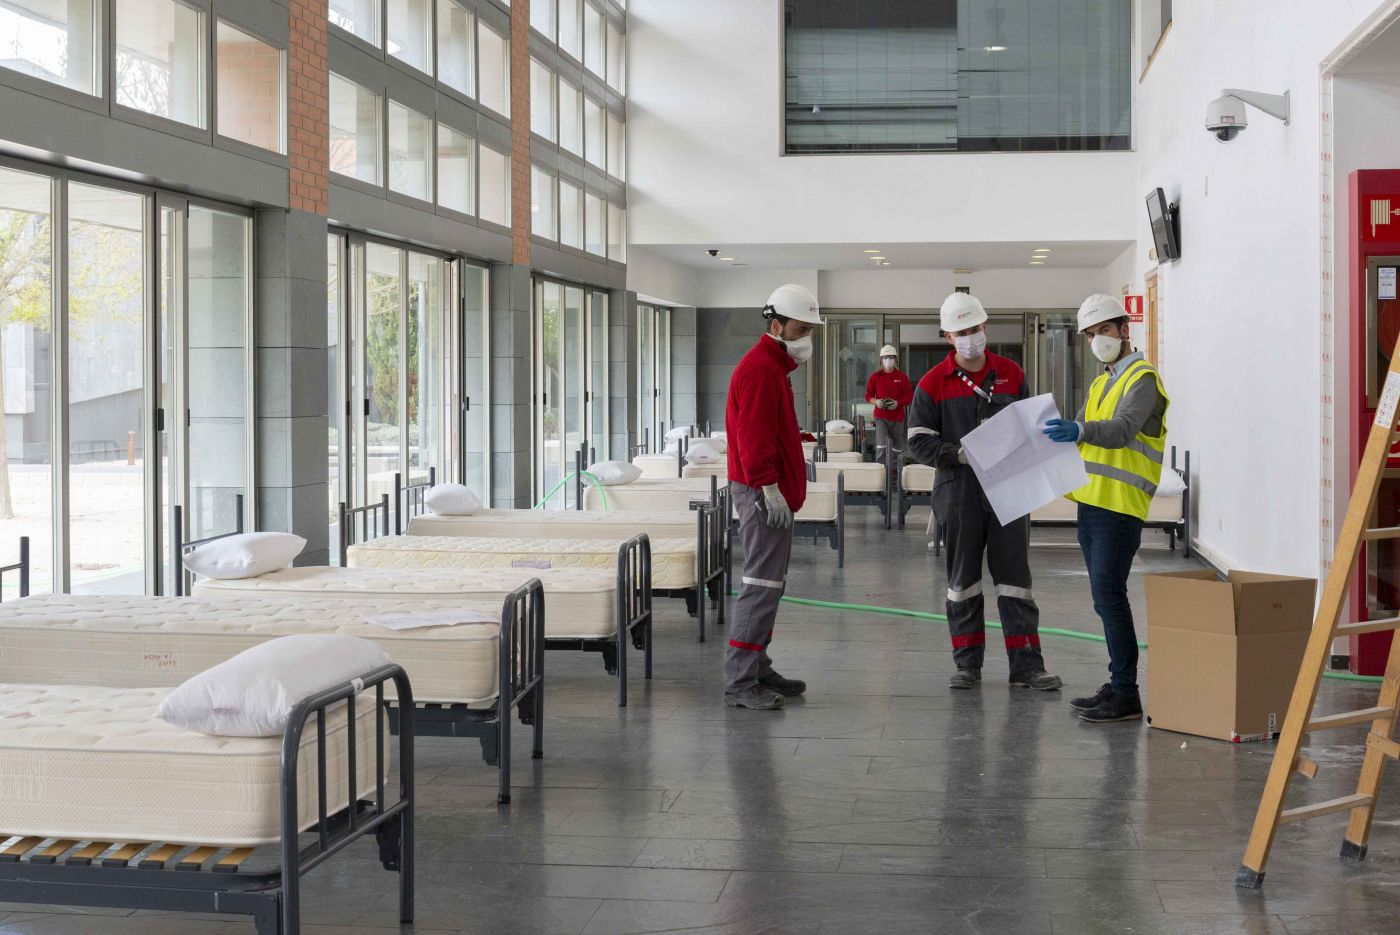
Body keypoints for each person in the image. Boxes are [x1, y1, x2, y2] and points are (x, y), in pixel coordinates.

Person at [907, 292, 1062, 692]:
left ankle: (1027, 667)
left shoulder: (1011, 373)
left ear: (985, 327)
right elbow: (917, 442)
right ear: (948, 336)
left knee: (1015, 579)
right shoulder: (931, 383)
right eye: (961, 331)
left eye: (974, 329)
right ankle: (967, 665)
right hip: (958, 491)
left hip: (1009, 489)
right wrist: (957, 455)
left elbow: (1032, 426)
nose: (970, 337)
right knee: (963, 581)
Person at [1043, 294, 1170, 724]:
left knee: (1111, 598)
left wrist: (1077, 428)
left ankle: (1126, 693)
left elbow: (1121, 430)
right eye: (1092, 334)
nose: (1099, 340)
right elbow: (1081, 432)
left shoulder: (1142, 378)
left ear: (1124, 329)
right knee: (1104, 599)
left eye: (1105, 331)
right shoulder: (1102, 382)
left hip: (1119, 508)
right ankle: (1117, 684)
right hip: (1093, 503)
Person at [722, 283, 820, 709]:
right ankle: (741, 681)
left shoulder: (774, 368)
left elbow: (766, 428)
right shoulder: (762, 368)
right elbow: (752, 437)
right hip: (763, 491)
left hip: (769, 488)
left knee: (771, 585)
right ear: (776, 325)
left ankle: (758, 665)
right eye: (800, 329)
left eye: (809, 331)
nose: (805, 339)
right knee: (760, 584)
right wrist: (768, 486)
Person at [865, 345, 914, 464]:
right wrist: (876, 402)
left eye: (891, 357)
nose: (888, 360)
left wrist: (897, 403)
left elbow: (910, 397)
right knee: (882, 445)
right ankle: (880, 473)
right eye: (885, 357)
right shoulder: (875, 377)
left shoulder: (902, 377)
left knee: (897, 448)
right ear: (881, 359)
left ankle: (894, 475)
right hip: (880, 417)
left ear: (895, 359)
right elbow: (868, 396)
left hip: (897, 418)